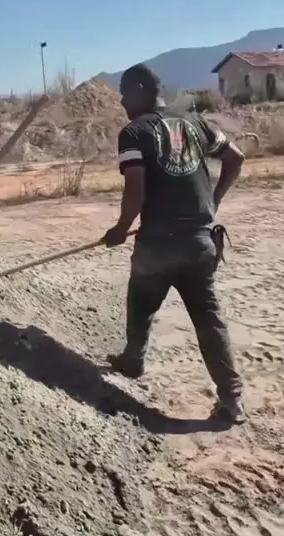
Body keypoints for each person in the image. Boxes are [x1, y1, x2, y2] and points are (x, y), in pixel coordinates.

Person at [103, 64, 245, 422]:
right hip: (200, 242)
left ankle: (133, 360)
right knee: (208, 319)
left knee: (140, 300)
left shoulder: (134, 132)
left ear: (139, 89)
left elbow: (135, 189)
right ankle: (231, 399)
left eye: (124, 93)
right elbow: (235, 157)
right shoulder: (195, 123)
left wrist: (120, 228)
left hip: (158, 244)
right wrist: (212, 203)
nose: (121, 101)